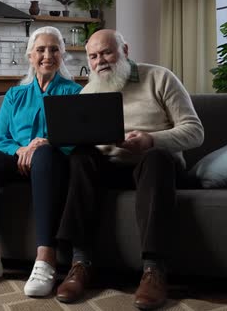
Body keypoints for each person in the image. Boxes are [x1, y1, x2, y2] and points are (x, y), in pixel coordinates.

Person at [55, 29, 204, 310]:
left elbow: (195, 131)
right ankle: (80, 262)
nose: (100, 61)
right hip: (110, 168)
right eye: (94, 56)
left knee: (157, 157)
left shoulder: (159, 77)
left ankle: (154, 269)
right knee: (80, 156)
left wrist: (151, 139)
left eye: (107, 52)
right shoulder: (88, 90)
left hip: (156, 166)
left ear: (125, 49)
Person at [0, 26, 82, 297]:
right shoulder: (15, 94)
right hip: (17, 161)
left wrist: (43, 144)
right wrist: (21, 149)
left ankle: (46, 260)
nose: (47, 55)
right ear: (30, 56)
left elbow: (76, 140)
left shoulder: (74, 93)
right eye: (41, 49)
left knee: (46, 154)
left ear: (62, 55)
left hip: (52, 164)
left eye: (54, 49)